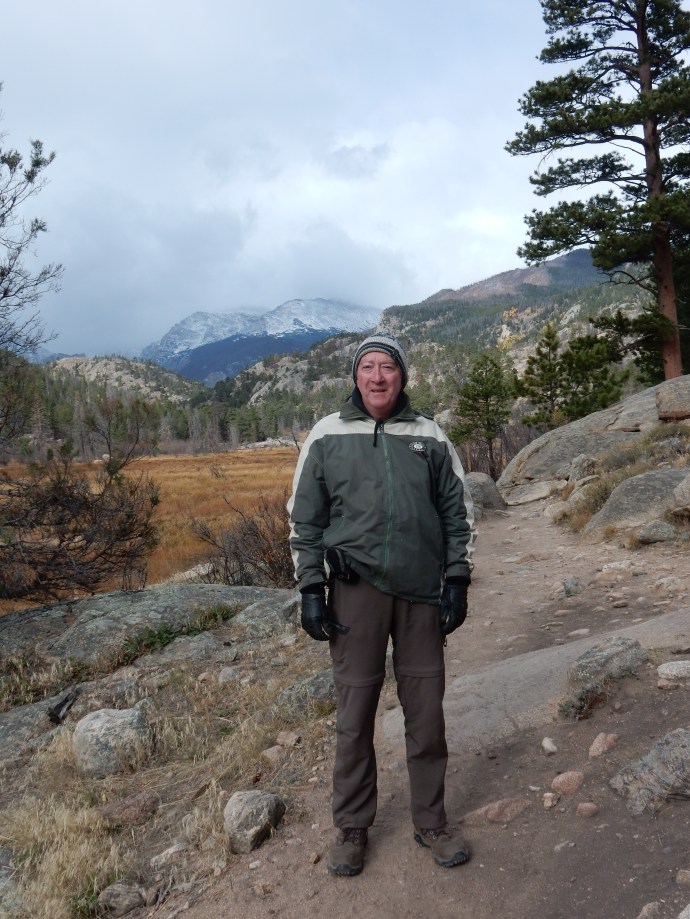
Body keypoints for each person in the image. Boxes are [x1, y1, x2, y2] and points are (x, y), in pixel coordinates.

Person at [287, 332, 475, 877]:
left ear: (402, 376)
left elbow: (456, 512)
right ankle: (351, 827)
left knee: (426, 713)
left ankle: (431, 820)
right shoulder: (327, 435)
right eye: (367, 367)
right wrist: (310, 589)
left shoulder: (429, 435)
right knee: (354, 716)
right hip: (354, 595)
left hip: (420, 593)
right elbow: (306, 520)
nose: (377, 377)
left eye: (387, 367)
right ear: (355, 376)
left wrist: (457, 579)